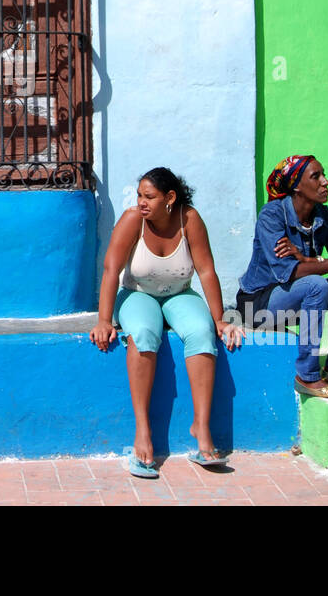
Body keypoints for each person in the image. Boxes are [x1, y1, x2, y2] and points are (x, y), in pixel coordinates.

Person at [90, 168, 244, 478]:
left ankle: (201, 430)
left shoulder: (190, 220)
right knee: (144, 334)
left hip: (179, 294)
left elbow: (206, 271)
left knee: (201, 333)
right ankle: (143, 432)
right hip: (137, 294)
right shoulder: (133, 220)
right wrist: (104, 320)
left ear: (170, 198)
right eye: (139, 196)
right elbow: (110, 270)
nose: (141, 203)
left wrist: (219, 320)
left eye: (149, 197)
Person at [237, 155, 328, 399]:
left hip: (299, 296)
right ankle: (307, 375)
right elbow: (288, 272)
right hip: (258, 304)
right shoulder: (272, 216)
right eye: (316, 177)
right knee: (315, 284)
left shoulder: (322, 214)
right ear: (297, 186)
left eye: (323, 175)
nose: (325, 182)